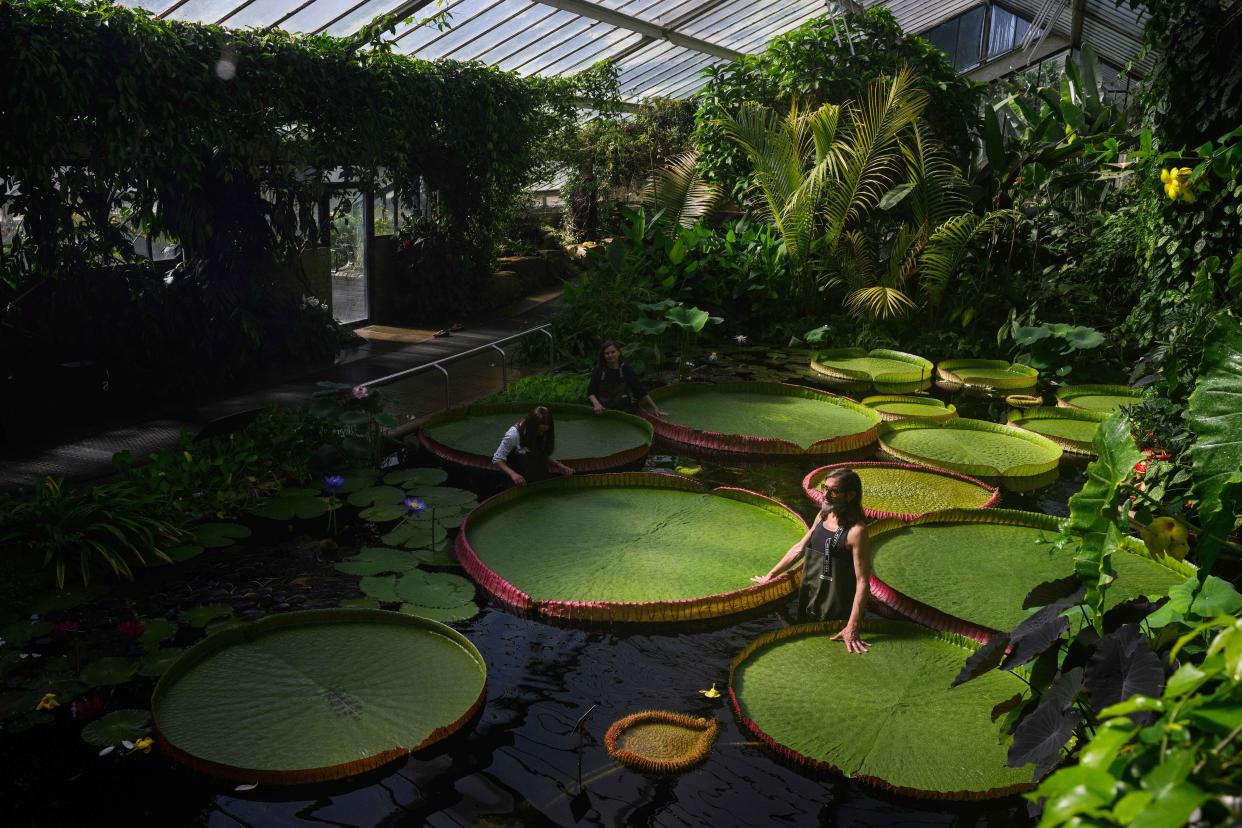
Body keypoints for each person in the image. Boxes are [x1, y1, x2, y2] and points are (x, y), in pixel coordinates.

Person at [751, 469, 872, 653]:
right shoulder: (823, 515)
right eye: (825, 488)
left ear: (850, 496)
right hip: (811, 595)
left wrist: (852, 627)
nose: (825, 495)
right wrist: (770, 575)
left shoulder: (857, 531)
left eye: (834, 491)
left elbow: (863, 582)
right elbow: (799, 548)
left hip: (837, 607)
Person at [492, 405, 575, 486]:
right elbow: (497, 459)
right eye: (539, 431)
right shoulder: (513, 435)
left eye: (544, 431)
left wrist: (559, 466)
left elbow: (539, 453)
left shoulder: (541, 434)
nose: (541, 434)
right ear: (532, 426)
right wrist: (513, 474)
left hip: (534, 473)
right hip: (517, 474)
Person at [587, 341, 666, 416]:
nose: (610, 355)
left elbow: (640, 390)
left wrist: (655, 408)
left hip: (624, 411)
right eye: (607, 353)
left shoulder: (626, 369)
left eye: (613, 352)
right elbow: (591, 392)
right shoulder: (599, 370)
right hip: (604, 411)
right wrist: (596, 404)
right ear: (603, 356)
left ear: (618, 353)